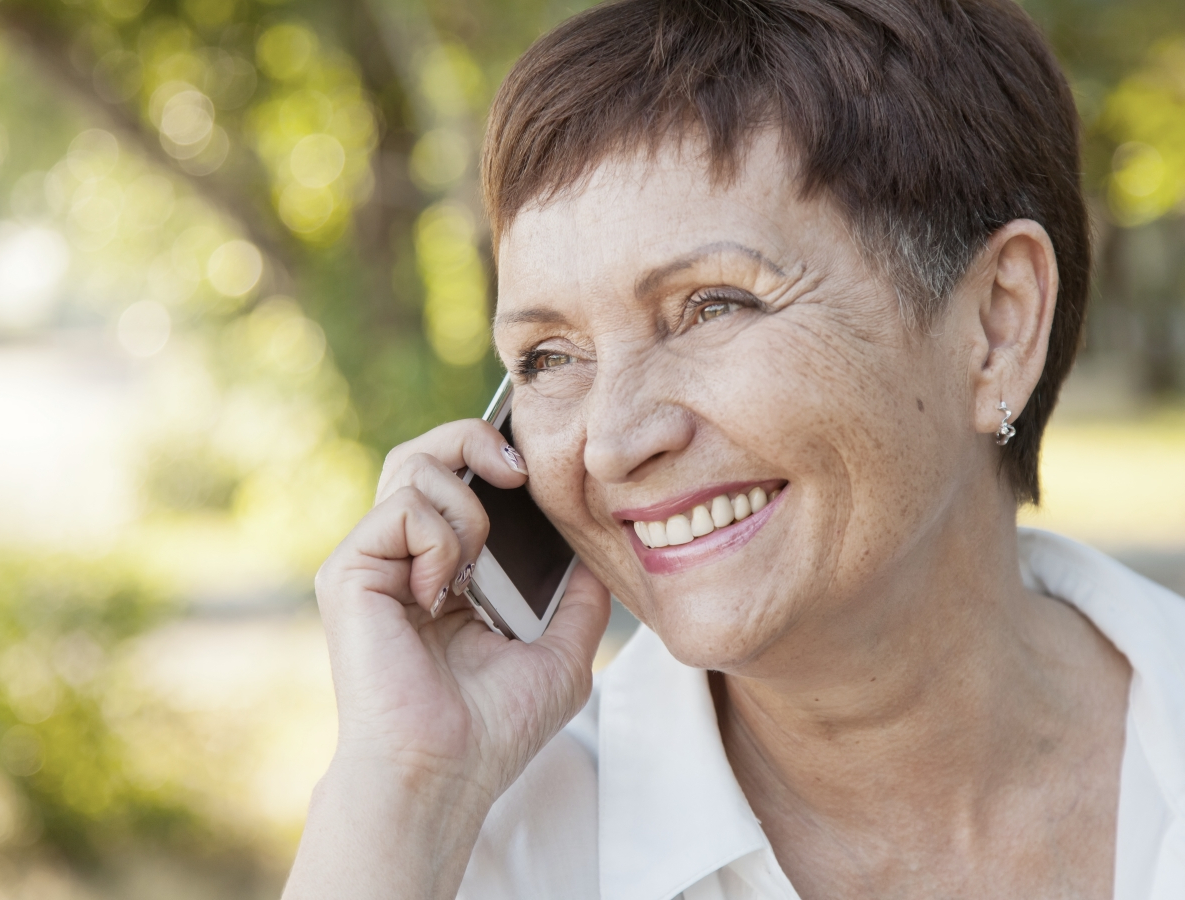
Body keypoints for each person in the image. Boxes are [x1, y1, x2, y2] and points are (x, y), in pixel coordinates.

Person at [282, 0, 1185, 897]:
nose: (613, 446)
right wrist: (407, 789)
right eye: (548, 356)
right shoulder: (467, 856)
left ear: (996, 325)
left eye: (714, 304)